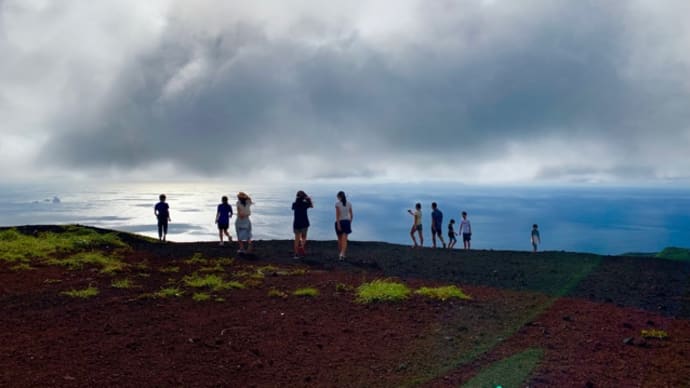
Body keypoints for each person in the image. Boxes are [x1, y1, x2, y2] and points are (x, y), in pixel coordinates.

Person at [292, 190, 313, 259]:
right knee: (304, 237)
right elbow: (312, 206)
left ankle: (296, 254)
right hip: (304, 222)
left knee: (296, 239)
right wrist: (308, 199)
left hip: (296, 223)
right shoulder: (305, 204)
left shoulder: (294, 204)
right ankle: (301, 247)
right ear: (303, 197)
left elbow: (293, 208)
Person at [335, 191, 353, 261]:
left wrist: (339, 224)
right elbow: (352, 215)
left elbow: (337, 216)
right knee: (344, 240)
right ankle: (342, 254)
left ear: (339, 197)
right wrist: (349, 222)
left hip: (339, 222)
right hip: (347, 222)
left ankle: (341, 254)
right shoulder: (349, 204)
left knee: (339, 239)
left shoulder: (337, 204)